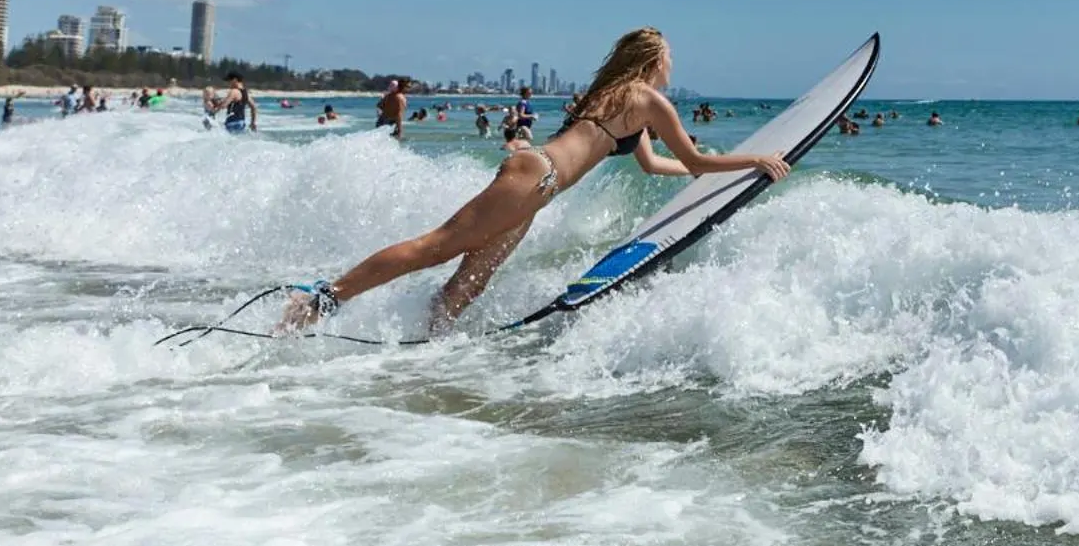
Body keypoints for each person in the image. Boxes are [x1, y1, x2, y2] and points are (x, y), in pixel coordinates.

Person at [275, 27, 789, 335]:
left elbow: (657, 165)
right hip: (534, 177)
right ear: (655, 59)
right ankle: (323, 299)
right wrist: (754, 161)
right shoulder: (646, 98)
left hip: (536, 186)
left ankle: (423, 346)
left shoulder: (617, 97)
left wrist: (706, 174)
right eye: (670, 55)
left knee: (468, 284)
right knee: (437, 247)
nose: (674, 63)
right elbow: (695, 160)